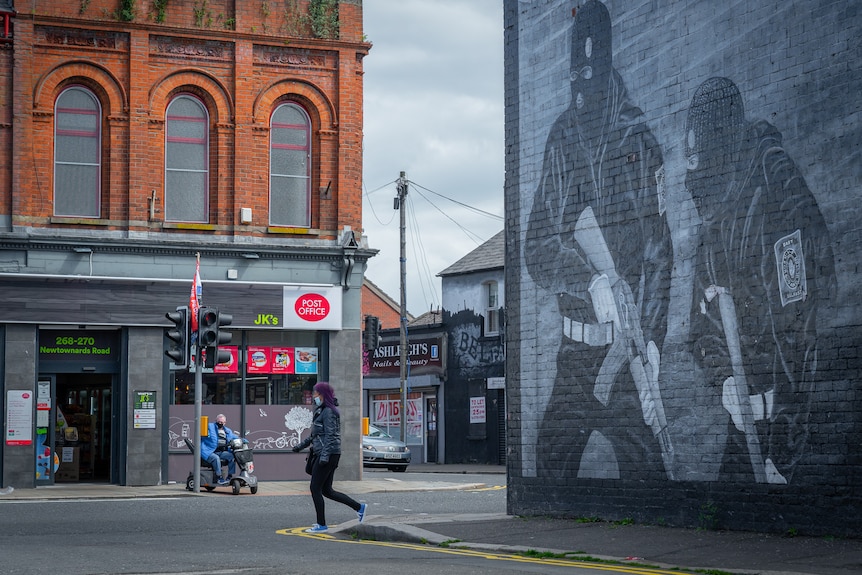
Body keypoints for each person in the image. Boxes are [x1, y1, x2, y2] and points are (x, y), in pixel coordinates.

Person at [524, 0, 673, 480]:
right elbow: (537, 247)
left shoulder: (639, 140)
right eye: (576, 70)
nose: (582, 81)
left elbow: (659, 254)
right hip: (575, 355)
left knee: (651, 473)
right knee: (547, 469)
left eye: (591, 66)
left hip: (627, 351)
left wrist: (650, 339)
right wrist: (589, 280)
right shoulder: (562, 137)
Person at [685, 77, 835, 484]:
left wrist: (783, 451)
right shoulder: (714, 225)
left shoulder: (775, 192)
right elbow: (699, 328)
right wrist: (726, 379)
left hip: (785, 438)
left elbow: (800, 331)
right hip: (746, 428)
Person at [292, 382, 366, 533]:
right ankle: (359, 507)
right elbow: (315, 436)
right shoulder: (322, 411)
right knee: (327, 490)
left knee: (315, 488)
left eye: (316, 393)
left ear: (322, 395)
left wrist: (324, 457)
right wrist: (299, 447)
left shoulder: (329, 412)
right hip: (326, 453)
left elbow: (332, 436)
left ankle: (321, 524)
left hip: (328, 454)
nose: (313, 396)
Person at [201, 413, 239, 485]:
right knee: (216, 458)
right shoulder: (210, 426)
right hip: (208, 451)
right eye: (219, 422)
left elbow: (234, 437)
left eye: (222, 422)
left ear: (225, 423)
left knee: (232, 456)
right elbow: (203, 433)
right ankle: (219, 477)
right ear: (216, 421)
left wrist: (242, 440)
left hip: (220, 451)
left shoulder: (227, 431)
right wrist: (206, 435)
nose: (220, 423)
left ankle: (229, 476)